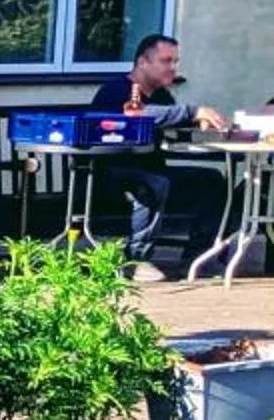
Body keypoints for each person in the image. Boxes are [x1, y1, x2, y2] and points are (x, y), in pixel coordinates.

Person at [88, 33, 227, 277]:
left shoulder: (161, 95)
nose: (172, 68)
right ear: (143, 62)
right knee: (154, 183)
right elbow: (137, 114)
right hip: (109, 179)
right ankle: (136, 261)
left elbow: (169, 119)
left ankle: (199, 256)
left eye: (175, 61)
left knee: (210, 180)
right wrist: (192, 112)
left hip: (153, 171)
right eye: (165, 61)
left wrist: (199, 124)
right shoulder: (115, 91)